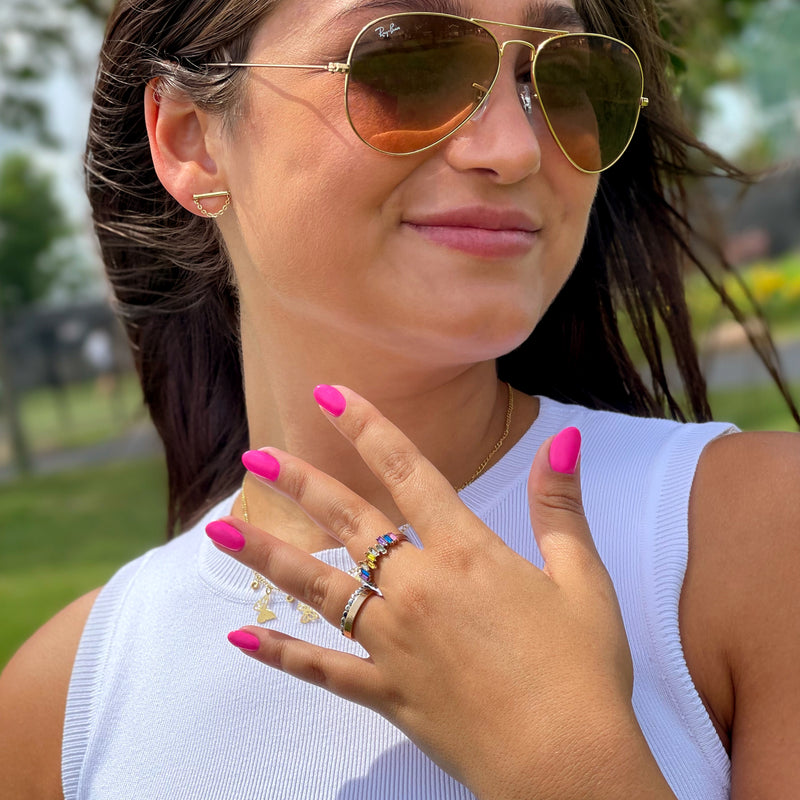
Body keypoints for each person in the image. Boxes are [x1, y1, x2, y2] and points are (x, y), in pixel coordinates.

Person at [1, 0, 799, 797]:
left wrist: (566, 760)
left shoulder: (759, 537)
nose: (515, 148)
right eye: (408, 63)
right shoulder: (64, 701)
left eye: (563, 79)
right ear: (190, 140)